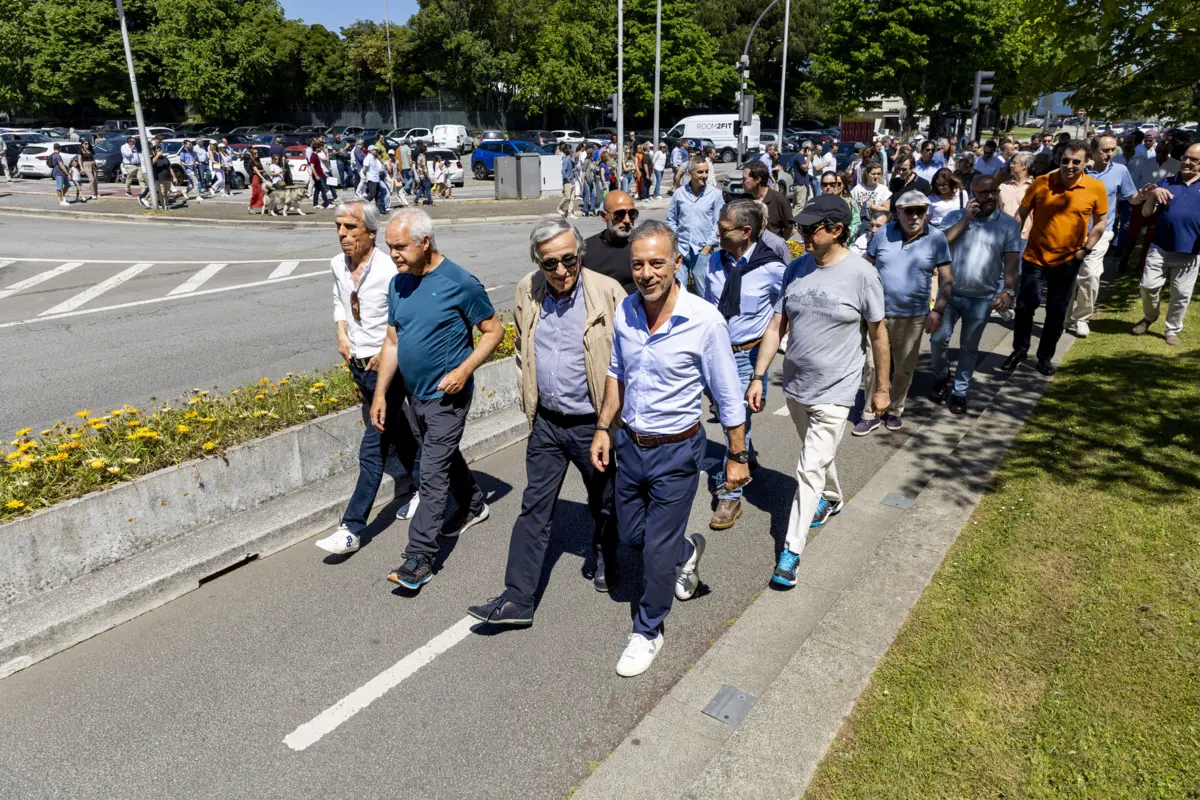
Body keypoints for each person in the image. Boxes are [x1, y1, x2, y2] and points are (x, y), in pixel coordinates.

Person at [589, 219, 748, 677]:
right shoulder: (627, 312)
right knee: (632, 536)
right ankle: (685, 553)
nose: (646, 273)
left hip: (678, 452)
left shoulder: (703, 321)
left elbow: (727, 394)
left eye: (657, 263)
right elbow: (616, 373)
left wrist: (736, 458)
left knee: (653, 551)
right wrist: (604, 428)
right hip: (630, 446)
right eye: (638, 264)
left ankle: (648, 630)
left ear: (677, 263)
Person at [466, 219, 626, 626]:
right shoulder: (528, 288)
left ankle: (607, 552)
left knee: (605, 502)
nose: (559, 272)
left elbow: (629, 360)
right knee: (534, 509)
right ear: (537, 261)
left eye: (568, 261)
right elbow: (523, 346)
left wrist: (612, 423)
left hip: (596, 425)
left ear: (580, 256)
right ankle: (517, 600)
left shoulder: (607, 293)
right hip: (548, 424)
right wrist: (529, 401)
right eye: (549, 263)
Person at [748, 194, 889, 587]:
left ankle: (791, 553)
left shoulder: (863, 275)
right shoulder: (796, 269)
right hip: (796, 386)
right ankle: (833, 497)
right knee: (817, 457)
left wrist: (882, 389)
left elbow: (879, 336)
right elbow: (777, 326)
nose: (801, 235)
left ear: (837, 230)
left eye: (810, 230)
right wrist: (759, 376)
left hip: (837, 389)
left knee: (807, 468)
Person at [376, 208, 503, 591]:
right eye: (390, 248)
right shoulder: (399, 284)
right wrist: (382, 393)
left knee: (431, 475)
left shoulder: (460, 282)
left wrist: (464, 370)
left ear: (425, 242)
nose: (394, 255)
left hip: (448, 397)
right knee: (441, 455)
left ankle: (420, 557)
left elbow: (493, 330)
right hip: (414, 396)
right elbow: (393, 340)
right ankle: (474, 503)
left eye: (400, 247)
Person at [314, 200, 422, 555]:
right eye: (339, 227)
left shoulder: (391, 269)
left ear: (371, 233)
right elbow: (338, 301)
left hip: (387, 366)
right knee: (398, 430)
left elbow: (405, 317)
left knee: (373, 443)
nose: (342, 235)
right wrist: (341, 333)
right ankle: (426, 485)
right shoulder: (337, 265)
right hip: (357, 362)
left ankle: (352, 527)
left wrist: (383, 353)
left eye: (351, 228)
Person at [702, 200, 787, 529]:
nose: (718, 233)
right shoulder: (714, 262)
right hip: (714, 353)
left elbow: (783, 316)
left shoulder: (773, 268)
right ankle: (744, 453)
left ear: (745, 232)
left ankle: (731, 496)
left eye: (724, 230)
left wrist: (760, 371)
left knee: (736, 420)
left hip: (746, 356)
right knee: (727, 418)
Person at [1001, 139, 1108, 377]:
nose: (1069, 165)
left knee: (1056, 311)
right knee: (1025, 306)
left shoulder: (1095, 188)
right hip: (1035, 256)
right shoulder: (1041, 182)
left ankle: (1044, 357)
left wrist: (1085, 250)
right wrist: (1011, 244)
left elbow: (1101, 222)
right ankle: (1019, 350)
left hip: (1068, 259)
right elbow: (1021, 214)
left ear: (1086, 162)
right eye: (1065, 160)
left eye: (1075, 162)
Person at [854, 189, 953, 435]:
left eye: (921, 211)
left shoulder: (937, 238)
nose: (916, 216)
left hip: (914, 316)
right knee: (872, 366)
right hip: (878, 315)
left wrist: (938, 311)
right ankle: (871, 413)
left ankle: (895, 409)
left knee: (904, 368)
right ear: (898, 212)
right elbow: (868, 266)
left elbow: (947, 279)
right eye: (910, 211)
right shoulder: (883, 233)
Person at [930, 176, 1020, 413]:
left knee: (970, 347)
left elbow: (1011, 263)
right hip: (949, 294)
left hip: (981, 297)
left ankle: (960, 391)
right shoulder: (955, 217)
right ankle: (941, 376)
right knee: (938, 340)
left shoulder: (1008, 225)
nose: (990, 197)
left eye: (994, 191)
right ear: (972, 193)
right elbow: (939, 244)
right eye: (983, 192)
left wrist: (1008, 291)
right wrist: (965, 220)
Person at [1064, 134, 1138, 337]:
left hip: (1101, 233)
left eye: (1113, 149)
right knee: (1068, 276)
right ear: (1094, 150)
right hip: (1070, 232)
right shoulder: (1078, 168)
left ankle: (1081, 318)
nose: (1110, 154)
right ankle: (1064, 316)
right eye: (1106, 150)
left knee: (1090, 275)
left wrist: (1146, 194)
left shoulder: (1120, 171)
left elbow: (1132, 198)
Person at [1130, 142, 1200, 346]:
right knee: (1148, 286)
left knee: (1181, 295)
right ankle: (1150, 316)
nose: (1187, 162)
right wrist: (1152, 195)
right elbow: (1145, 213)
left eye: (1194, 160)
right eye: (1185, 157)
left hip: (1190, 251)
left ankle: (1172, 330)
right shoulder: (1166, 183)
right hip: (1160, 247)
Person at [666, 156, 723, 296]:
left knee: (704, 292)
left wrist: (707, 248)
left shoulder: (715, 195)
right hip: (681, 250)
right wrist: (675, 244)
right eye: (700, 172)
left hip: (702, 250)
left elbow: (719, 224)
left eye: (706, 172)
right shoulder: (679, 194)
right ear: (690, 174)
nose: (704, 176)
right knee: (678, 292)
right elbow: (671, 220)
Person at [585, 190, 638, 294]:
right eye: (619, 214)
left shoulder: (642, 245)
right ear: (604, 216)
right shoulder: (586, 251)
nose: (627, 220)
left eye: (632, 214)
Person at [743, 160, 794, 239]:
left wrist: (778, 244)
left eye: (744, 179)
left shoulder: (779, 200)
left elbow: (789, 227)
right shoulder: (744, 199)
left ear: (758, 179)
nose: (741, 182)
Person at [150, 145, 173, 211]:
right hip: (159, 178)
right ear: (154, 151)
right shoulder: (153, 158)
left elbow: (170, 168)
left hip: (167, 178)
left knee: (167, 193)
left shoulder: (165, 158)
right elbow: (152, 163)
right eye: (157, 150)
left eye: (160, 150)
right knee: (161, 193)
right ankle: (163, 207)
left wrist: (174, 177)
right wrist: (157, 155)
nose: (159, 151)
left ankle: (166, 206)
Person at [245, 146, 265, 214]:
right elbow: (256, 171)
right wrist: (263, 178)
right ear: (252, 154)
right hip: (256, 178)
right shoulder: (251, 161)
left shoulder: (258, 159)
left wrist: (262, 171)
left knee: (262, 193)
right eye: (255, 153)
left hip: (260, 177)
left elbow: (259, 169)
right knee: (255, 194)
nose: (257, 154)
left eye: (257, 152)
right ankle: (250, 207)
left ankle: (264, 207)